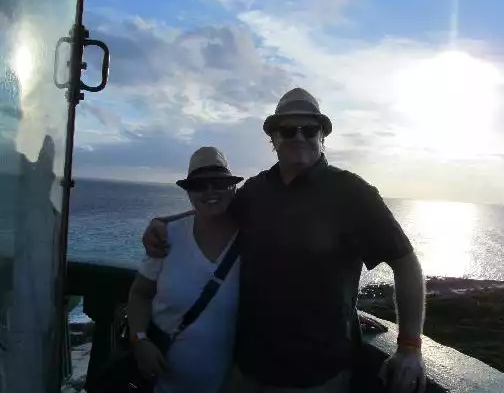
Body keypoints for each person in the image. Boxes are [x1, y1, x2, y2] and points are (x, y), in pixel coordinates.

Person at [142, 88, 427, 393]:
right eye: (288, 130)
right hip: (247, 369)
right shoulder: (256, 191)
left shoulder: (352, 194)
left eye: (309, 130)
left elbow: (406, 264)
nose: (299, 137)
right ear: (274, 139)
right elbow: (213, 208)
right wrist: (164, 223)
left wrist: (409, 347)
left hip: (317, 376)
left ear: (322, 136)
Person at [127, 146, 244, 393]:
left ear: (233, 188)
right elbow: (140, 294)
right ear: (189, 193)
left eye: (218, 183)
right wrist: (140, 341)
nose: (210, 191)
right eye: (199, 185)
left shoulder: (251, 242)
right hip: (161, 386)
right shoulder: (167, 236)